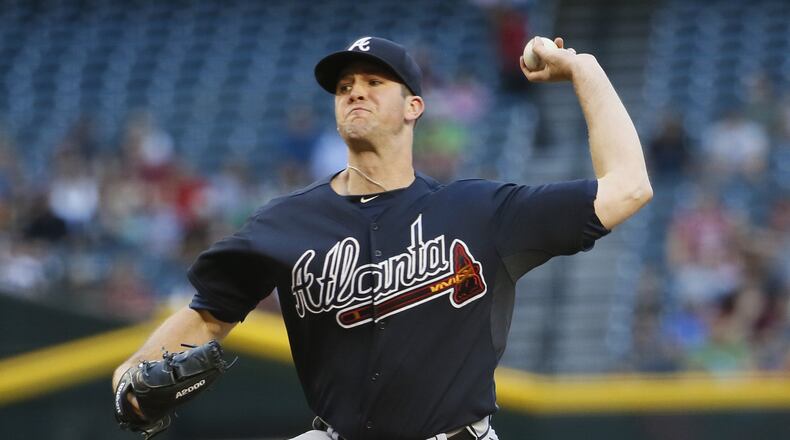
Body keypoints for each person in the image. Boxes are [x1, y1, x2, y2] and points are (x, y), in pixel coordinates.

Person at [112, 36, 653, 440]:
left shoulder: (479, 212)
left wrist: (585, 69)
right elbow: (210, 311)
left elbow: (628, 187)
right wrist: (127, 383)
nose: (355, 94)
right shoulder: (285, 223)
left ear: (413, 107)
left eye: (374, 83)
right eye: (345, 87)